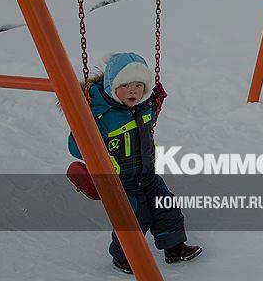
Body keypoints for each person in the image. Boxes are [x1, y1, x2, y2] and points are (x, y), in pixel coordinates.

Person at [67, 53, 202, 275]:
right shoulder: (101, 117)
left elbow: (150, 121)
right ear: (112, 87)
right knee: (134, 220)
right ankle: (123, 257)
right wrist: (83, 128)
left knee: (167, 208)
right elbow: (76, 148)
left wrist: (156, 102)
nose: (133, 91)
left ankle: (175, 248)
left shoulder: (143, 107)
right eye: (125, 85)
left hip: (148, 175)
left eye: (139, 85)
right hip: (122, 182)